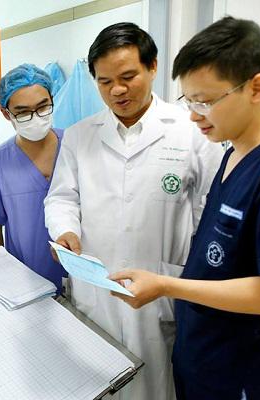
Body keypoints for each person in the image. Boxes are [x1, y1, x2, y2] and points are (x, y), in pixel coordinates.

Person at [110, 17, 260, 400]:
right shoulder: (232, 152)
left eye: (206, 101)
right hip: (203, 358)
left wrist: (166, 285)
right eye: (189, 101)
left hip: (241, 373)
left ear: (257, 87)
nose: (194, 115)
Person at [44, 23, 223, 400]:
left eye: (127, 77)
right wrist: (64, 230)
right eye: (105, 81)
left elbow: (212, 215)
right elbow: (61, 198)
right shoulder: (79, 135)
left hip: (160, 293)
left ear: (153, 67)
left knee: (156, 386)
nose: (117, 90)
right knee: (96, 382)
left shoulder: (191, 132)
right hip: (95, 291)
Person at [0, 64, 65, 293]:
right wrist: (2, 282)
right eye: (23, 112)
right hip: (27, 280)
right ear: (6, 113)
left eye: (43, 107)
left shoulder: (75, 146)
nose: (35, 118)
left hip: (83, 279)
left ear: (52, 100)